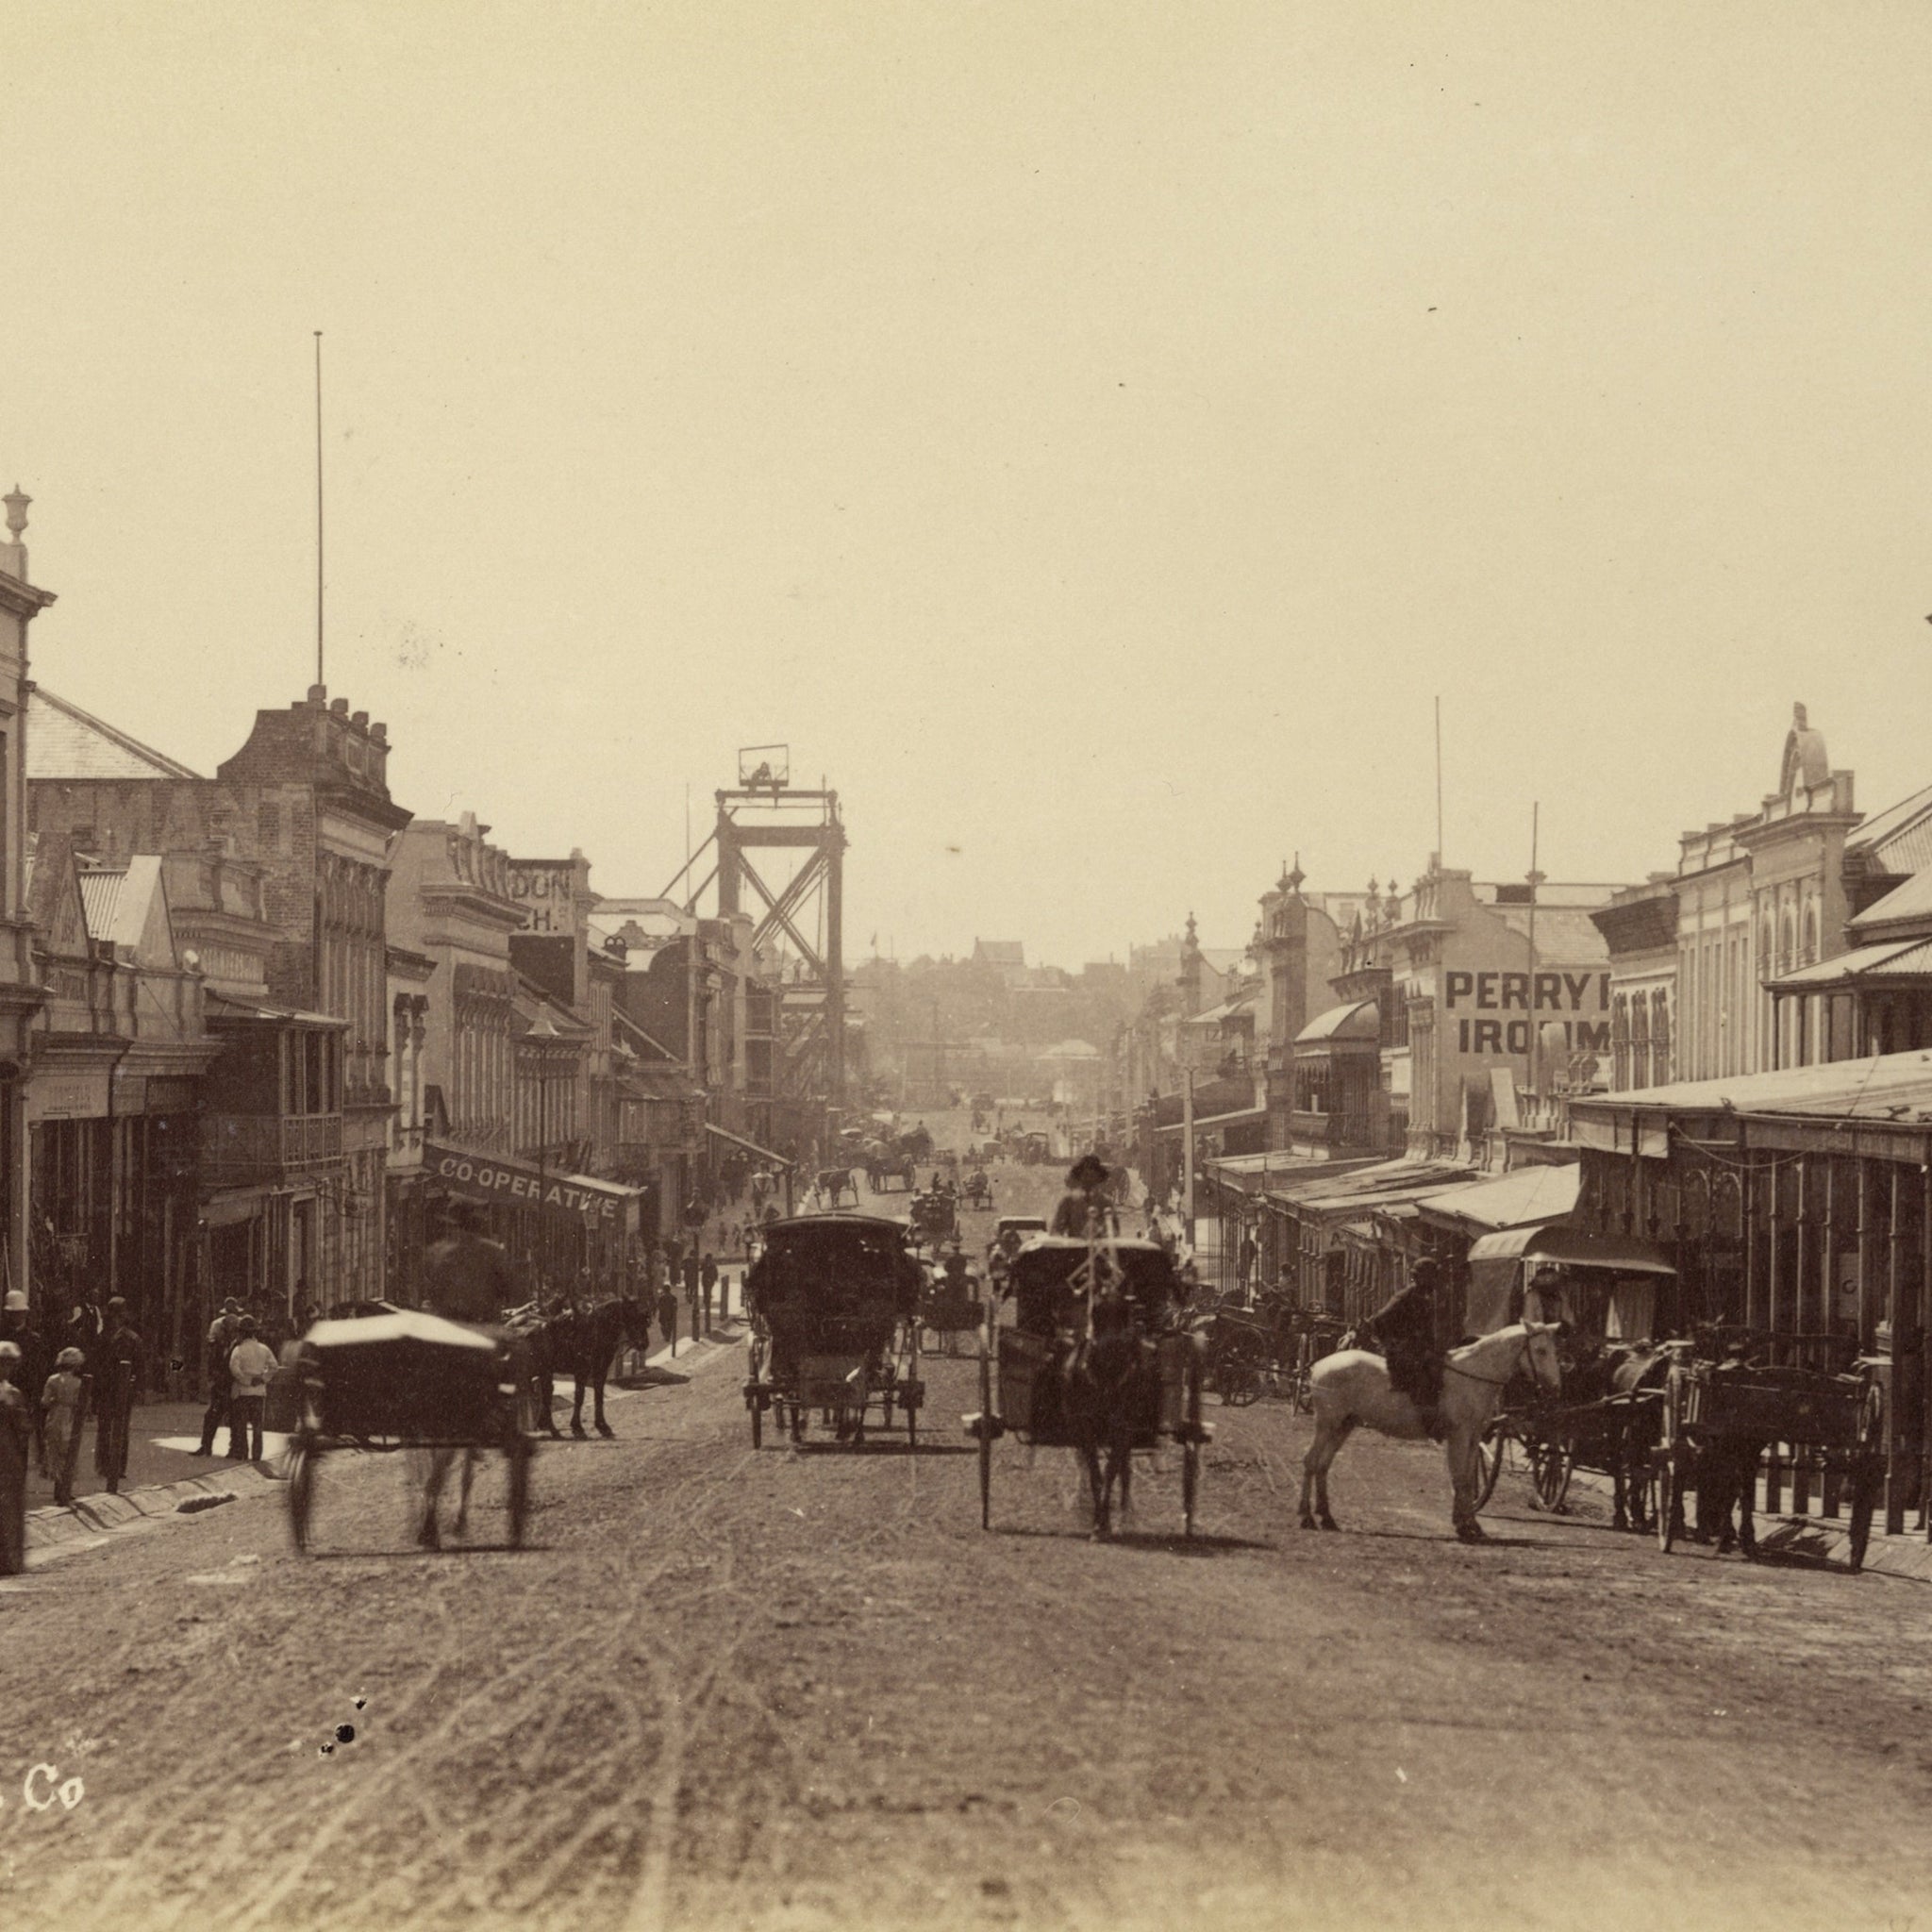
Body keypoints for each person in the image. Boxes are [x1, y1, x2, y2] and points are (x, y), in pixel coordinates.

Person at [1365, 1259, 1444, 1421]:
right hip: (1402, 1350)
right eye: (1431, 1277)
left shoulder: (1425, 1297)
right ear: (1420, 1277)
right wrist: (1391, 1343)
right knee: (1420, 1375)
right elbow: (1379, 1320)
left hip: (1418, 1348)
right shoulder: (1405, 1296)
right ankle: (1420, 1415)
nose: (1434, 1281)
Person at [423, 1201, 517, 1326]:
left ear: (453, 1227)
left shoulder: (437, 1252)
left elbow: (433, 1292)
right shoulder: (494, 1252)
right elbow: (510, 1290)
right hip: (484, 1326)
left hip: (449, 1328)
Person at [92, 1299, 142, 1495]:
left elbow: (139, 1365)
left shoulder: (130, 1338)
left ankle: (116, 1466)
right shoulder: (105, 1337)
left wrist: (137, 1388)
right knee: (108, 1427)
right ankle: (108, 1465)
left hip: (119, 1390)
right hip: (109, 1389)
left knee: (117, 1427)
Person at [2, 1291, 49, 1476]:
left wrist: (34, 1399)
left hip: (24, 1396)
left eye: (19, 1313)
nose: (16, 1316)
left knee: (20, 1440)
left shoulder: (33, 1339)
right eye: (13, 1313)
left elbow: (39, 1372)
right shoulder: (2, 1335)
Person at [195, 1298, 246, 1457]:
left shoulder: (241, 1341)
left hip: (234, 1382)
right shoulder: (217, 1332)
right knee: (213, 1414)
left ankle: (236, 1449)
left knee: (234, 1416)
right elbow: (212, 1354)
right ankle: (206, 1446)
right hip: (221, 1381)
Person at [226, 1316, 278, 1463]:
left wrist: (247, 1380)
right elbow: (274, 1366)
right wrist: (263, 1378)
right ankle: (257, 1455)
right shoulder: (264, 1349)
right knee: (257, 1426)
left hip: (243, 1392)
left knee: (241, 1425)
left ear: (242, 1333)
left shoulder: (238, 1349)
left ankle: (243, 1453)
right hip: (259, 1391)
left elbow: (234, 1369)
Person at [42, 1347, 87, 1506]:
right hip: (70, 1418)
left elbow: (45, 1401)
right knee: (68, 1452)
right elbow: (82, 1405)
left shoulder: (52, 1380)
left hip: (55, 1416)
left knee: (54, 1450)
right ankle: (65, 1488)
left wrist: (56, 1401)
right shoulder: (79, 1383)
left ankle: (57, 1487)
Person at [0, 1340, 29, 1575]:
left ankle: (11, 1560)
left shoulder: (13, 1392)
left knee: (10, 1506)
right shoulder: (11, 1394)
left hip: (9, 1454)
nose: (5, 1369)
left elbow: (23, 1428)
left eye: (9, 1365)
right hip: (7, 1452)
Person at [1050, 1154, 1117, 1239]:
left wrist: (1102, 1232)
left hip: (1100, 1249)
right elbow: (1056, 1230)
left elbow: (1115, 1231)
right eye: (1085, 1175)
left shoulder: (1106, 1202)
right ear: (1080, 1177)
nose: (1089, 1180)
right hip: (1074, 1249)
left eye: (1092, 1176)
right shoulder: (1068, 1202)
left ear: (1098, 1178)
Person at [656, 1278, 679, 1357]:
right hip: (671, 1315)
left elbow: (659, 1306)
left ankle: (666, 1335)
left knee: (663, 1326)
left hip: (663, 1315)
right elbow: (676, 1307)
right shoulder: (674, 1298)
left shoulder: (662, 1297)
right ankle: (668, 1336)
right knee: (670, 1326)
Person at [699, 1252, 718, 1333]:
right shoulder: (704, 1264)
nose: (709, 1259)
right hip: (705, 1279)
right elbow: (701, 1269)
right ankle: (706, 1298)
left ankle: (707, 1297)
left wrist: (715, 1278)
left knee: (709, 1290)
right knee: (705, 1289)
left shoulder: (713, 1265)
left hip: (711, 1279)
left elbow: (716, 1272)